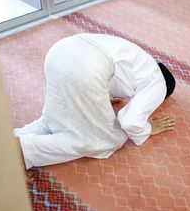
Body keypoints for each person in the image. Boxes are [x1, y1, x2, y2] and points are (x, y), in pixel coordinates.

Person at [14, 33, 176, 174]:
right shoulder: (159, 83)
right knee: (103, 140)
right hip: (87, 68)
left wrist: (99, 100)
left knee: (55, 120)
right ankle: (26, 149)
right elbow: (130, 121)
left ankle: (10, 139)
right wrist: (147, 129)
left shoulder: (141, 60)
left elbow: (110, 76)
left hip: (60, 51)